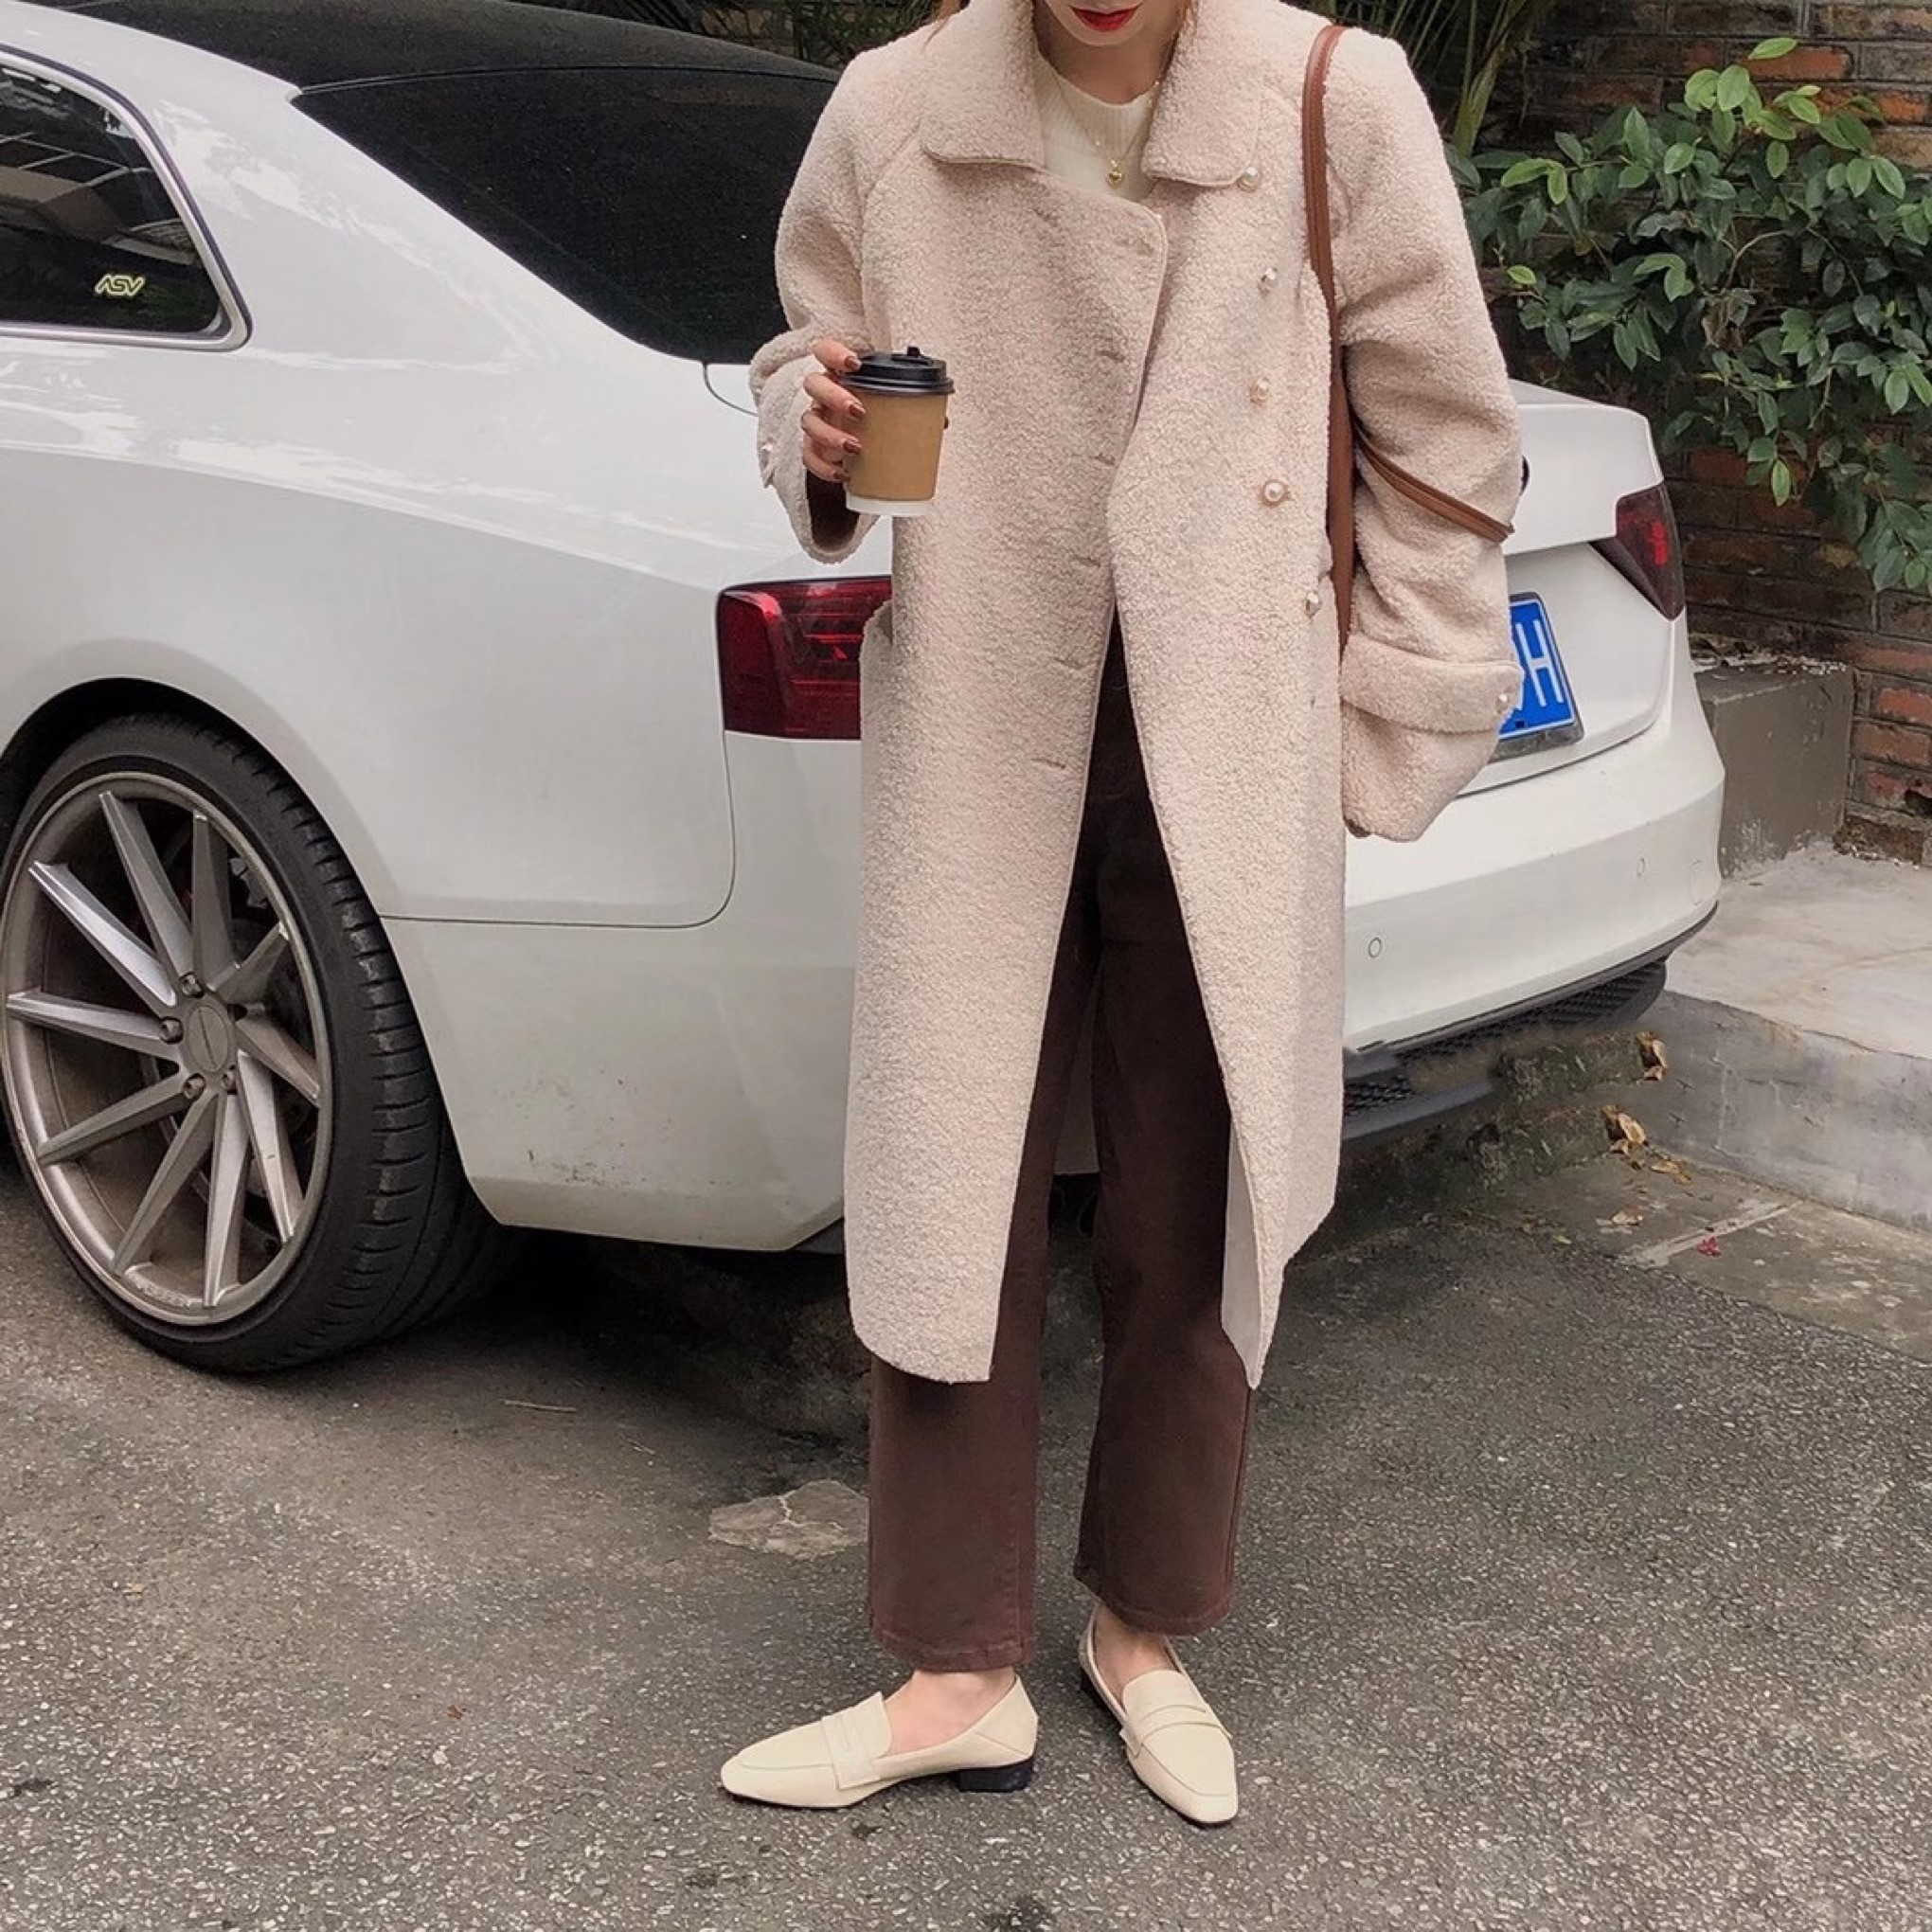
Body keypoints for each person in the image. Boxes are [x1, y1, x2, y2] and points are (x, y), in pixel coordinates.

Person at [723, 0, 1523, 1823]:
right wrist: (816, 430)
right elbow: (801, 354)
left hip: (1226, 721)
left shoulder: (1331, 97)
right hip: (986, 700)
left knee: (1194, 1177)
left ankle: (1146, 1626)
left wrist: (1395, 693)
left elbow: (1446, 427)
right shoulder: (896, 111)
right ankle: (953, 1668)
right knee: (953, 1174)